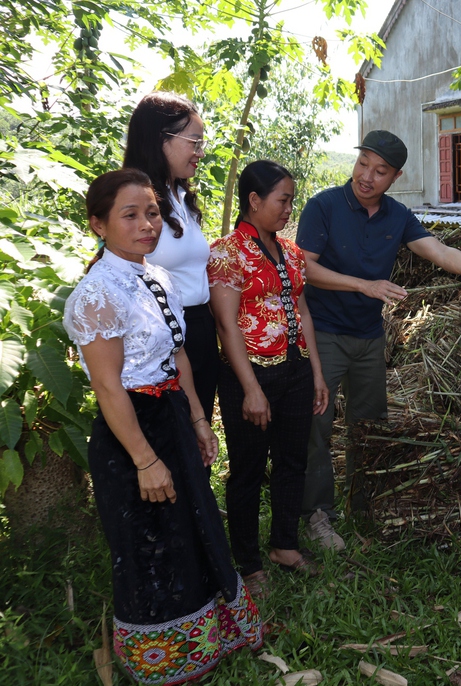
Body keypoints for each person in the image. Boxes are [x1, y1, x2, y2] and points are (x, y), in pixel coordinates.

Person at [63, 169, 262, 684]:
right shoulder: (96, 295)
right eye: (130, 215)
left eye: (151, 212)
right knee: (147, 543)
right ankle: (164, 659)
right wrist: (146, 460)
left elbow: (178, 356)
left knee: (193, 526)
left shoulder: (159, 278)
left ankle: (207, 639)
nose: (147, 224)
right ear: (97, 225)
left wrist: (198, 418)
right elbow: (109, 388)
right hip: (130, 431)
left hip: (171, 413)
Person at [294, 129, 461, 546]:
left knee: (368, 425)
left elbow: (440, 252)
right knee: (319, 424)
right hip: (324, 333)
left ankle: (363, 506)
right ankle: (317, 516)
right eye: (363, 164)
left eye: (380, 171)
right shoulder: (323, 206)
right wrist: (363, 286)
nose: (367, 176)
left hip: (368, 337)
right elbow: (304, 270)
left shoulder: (397, 215)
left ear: (394, 177)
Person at [208, 160, 330, 599]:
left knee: (292, 461)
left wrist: (315, 371)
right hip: (250, 374)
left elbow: (302, 312)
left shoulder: (291, 252)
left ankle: (284, 545)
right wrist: (252, 389)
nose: (288, 209)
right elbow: (226, 325)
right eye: (282, 200)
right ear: (254, 200)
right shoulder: (226, 252)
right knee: (247, 469)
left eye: (291, 201)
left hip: (294, 370)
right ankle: (248, 562)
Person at [124, 92, 219, 425]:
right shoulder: (135, 201)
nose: (200, 152)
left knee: (199, 434)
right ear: (160, 139)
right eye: (194, 142)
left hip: (200, 328)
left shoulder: (179, 195)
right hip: (164, 335)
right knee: (172, 436)